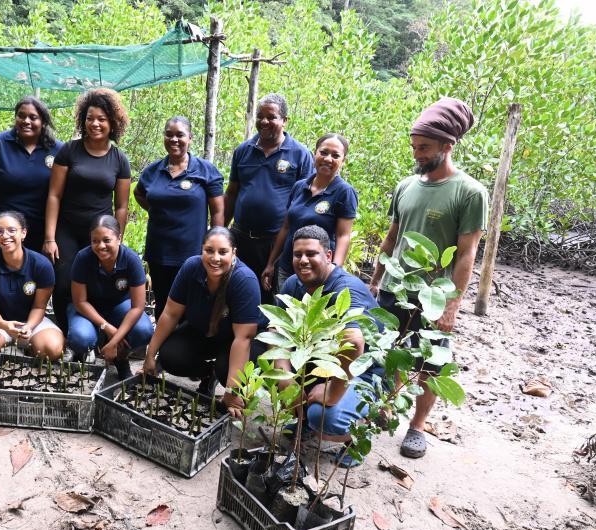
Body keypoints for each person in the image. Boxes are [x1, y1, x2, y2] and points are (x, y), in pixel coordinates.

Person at [368, 97, 489, 459]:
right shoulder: (406, 186)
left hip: (434, 295)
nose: (417, 154)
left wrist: (453, 303)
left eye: (424, 147)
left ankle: (417, 427)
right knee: (386, 353)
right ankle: (383, 410)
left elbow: (467, 254)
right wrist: (376, 279)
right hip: (394, 288)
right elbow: (392, 237)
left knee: (432, 364)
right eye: (414, 146)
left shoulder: (470, 192)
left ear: (447, 146)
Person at [274, 225, 384, 466]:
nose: (303, 260)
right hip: (325, 360)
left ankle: (359, 435)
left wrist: (332, 392)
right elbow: (277, 332)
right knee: (270, 365)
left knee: (324, 418)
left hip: (364, 371)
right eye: (297, 254)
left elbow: (354, 342)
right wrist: (285, 379)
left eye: (311, 254)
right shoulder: (293, 284)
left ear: (328, 256)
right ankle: (305, 421)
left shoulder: (346, 288)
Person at [142, 227, 267, 416]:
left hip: (240, 340)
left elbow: (243, 338)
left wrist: (232, 391)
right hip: (203, 331)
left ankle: (233, 385)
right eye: (209, 250)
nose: (215, 258)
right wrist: (150, 356)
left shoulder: (244, 280)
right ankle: (208, 373)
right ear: (202, 250)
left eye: (223, 252)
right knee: (169, 356)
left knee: (226, 370)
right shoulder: (191, 268)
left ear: (234, 253)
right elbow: (170, 314)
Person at [43, 88, 131, 334]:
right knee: (62, 284)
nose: (95, 124)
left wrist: (118, 238)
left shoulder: (119, 159)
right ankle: (67, 336)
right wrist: (50, 237)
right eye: (90, 118)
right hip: (67, 230)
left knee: (95, 286)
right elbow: (54, 195)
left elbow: (121, 206)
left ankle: (94, 335)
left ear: (112, 123)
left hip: (100, 235)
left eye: (101, 119)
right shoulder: (69, 151)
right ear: (83, 120)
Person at [224, 93, 315, 305]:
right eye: (260, 116)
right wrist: (220, 230)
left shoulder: (300, 154)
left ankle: (266, 337)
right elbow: (232, 193)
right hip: (241, 237)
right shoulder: (242, 151)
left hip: (277, 241)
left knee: (273, 297)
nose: (264, 121)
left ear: (284, 120)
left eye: (271, 117)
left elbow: (304, 202)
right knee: (237, 291)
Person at [134, 116, 224, 318]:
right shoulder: (153, 171)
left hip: (191, 254)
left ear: (190, 138)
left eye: (180, 135)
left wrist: (215, 246)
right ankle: (163, 348)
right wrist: (156, 209)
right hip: (159, 253)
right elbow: (139, 193)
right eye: (169, 134)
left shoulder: (205, 171)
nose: (174, 139)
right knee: (163, 304)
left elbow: (218, 211)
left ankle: (186, 347)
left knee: (191, 304)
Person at [262, 133, 357, 292]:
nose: (328, 159)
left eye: (335, 155)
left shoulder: (344, 192)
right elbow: (286, 227)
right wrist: (271, 263)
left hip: (318, 273)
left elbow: (343, 236)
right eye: (324, 152)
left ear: (343, 161)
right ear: (315, 153)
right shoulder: (299, 186)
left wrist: (334, 272)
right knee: (285, 313)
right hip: (288, 267)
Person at [0, 212, 63, 363]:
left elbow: (39, 307)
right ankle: (1, 345)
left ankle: (26, 346)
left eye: (12, 230)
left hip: (31, 323)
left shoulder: (42, 265)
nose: (5, 236)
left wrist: (29, 327)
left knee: (53, 349)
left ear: (23, 233)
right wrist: (5, 326)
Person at [0, 96, 63, 255]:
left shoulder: (58, 150)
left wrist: (51, 236)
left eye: (33, 117)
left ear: (43, 122)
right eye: (21, 116)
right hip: (1, 232)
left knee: (34, 279)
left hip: (40, 231)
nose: (26, 121)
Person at [68, 215, 153, 380]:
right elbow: (80, 301)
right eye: (95, 241)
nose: (101, 246)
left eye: (107, 240)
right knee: (81, 338)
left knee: (143, 330)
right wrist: (108, 328)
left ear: (119, 238)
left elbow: (137, 306)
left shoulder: (131, 259)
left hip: (119, 307)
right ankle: (81, 354)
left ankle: (121, 358)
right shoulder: (83, 258)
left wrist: (115, 340)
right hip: (87, 309)